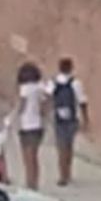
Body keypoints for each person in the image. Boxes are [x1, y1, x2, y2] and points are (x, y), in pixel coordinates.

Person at [47, 58, 90, 186]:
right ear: (71, 68)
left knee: (61, 147)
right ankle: (67, 172)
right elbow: (82, 101)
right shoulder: (76, 83)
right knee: (69, 146)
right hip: (72, 118)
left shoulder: (53, 82)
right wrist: (85, 118)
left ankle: (62, 175)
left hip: (58, 118)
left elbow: (47, 97)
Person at [16, 62, 47, 190]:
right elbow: (45, 105)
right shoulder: (40, 88)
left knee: (26, 157)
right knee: (34, 156)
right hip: (38, 124)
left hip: (26, 124)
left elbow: (21, 106)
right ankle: (34, 182)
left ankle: (29, 182)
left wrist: (14, 117)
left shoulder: (24, 88)